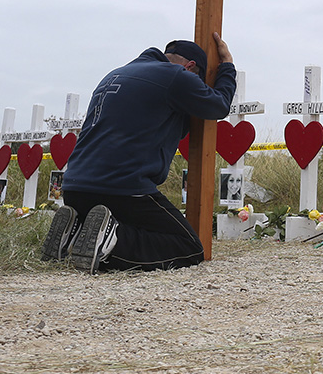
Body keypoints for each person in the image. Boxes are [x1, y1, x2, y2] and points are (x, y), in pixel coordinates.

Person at [41, 34, 236, 273]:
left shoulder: (114, 75)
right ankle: (111, 244)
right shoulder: (176, 76)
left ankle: (72, 236)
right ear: (190, 67)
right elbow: (218, 105)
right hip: (122, 189)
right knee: (189, 248)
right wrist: (227, 67)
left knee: (126, 222)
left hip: (74, 188)